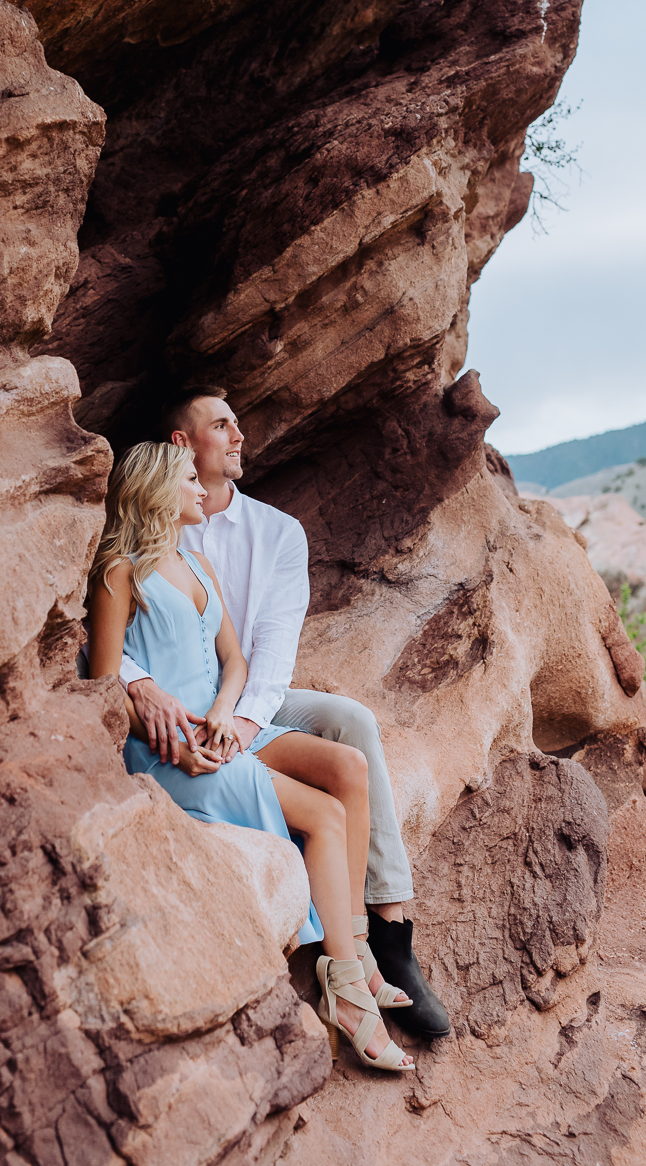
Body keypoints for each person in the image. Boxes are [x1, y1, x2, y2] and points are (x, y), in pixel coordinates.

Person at [117, 386, 450, 1041]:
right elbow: (102, 629)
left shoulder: (275, 534)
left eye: (239, 423)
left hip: (248, 698)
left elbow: (267, 660)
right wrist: (139, 684)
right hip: (183, 699)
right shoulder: (153, 532)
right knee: (314, 766)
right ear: (182, 447)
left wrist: (237, 725)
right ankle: (342, 959)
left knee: (350, 723)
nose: (241, 436)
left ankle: (389, 932)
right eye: (222, 425)